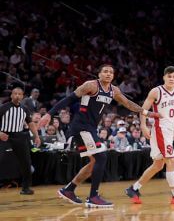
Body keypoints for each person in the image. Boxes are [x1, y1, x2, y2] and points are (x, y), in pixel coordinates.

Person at [40, 64, 158, 208]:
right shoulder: (90, 86)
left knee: (94, 163)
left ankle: (69, 190)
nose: (108, 74)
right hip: (81, 126)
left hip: (90, 128)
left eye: (111, 72)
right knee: (101, 157)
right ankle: (93, 197)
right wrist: (49, 114)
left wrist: (146, 113)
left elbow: (128, 104)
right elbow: (68, 99)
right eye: (105, 71)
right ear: (99, 74)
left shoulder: (114, 91)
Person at [125, 66, 174, 205]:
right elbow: (143, 109)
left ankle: (134, 188)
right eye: (169, 76)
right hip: (159, 130)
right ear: (164, 77)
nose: (171, 79)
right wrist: (143, 126)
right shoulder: (156, 91)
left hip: (169, 132)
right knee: (170, 161)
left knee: (158, 165)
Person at [0, 87, 40, 195]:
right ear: (11, 95)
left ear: (22, 96)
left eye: (19, 94)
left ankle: (26, 188)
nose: (17, 96)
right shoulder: (4, 108)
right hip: (4, 135)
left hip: (19, 136)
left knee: (26, 162)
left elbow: (31, 123)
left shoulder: (25, 109)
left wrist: (36, 136)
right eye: (15, 93)